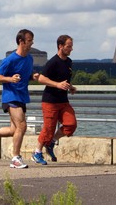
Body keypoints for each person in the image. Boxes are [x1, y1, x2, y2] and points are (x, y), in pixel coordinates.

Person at [0, 29, 39, 169]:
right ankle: (15, 158)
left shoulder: (29, 59)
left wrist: (33, 77)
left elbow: (25, 76)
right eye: (29, 40)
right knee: (22, 126)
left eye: (32, 40)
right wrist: (10, 79)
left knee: (14, 130)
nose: (32, 43)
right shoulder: (10, 59)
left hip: (22, 96)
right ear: (21, 42)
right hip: (10, 96)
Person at [31, 34, 77, 165]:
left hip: (63, 101)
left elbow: (64, 80)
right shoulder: (52, 62)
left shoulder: (69, 62)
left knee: (71, 124)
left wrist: (71, 87)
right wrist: (57, 84)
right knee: (48, 128)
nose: (71, 49)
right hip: (50, 101)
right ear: (60, 46)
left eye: (71, 46)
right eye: (69, 46)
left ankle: (51, 143)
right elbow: (41, 78)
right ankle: (37, 152)